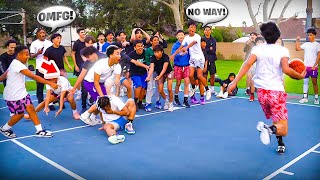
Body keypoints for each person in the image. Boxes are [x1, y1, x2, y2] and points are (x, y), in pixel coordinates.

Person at [228, 21, 306, 154]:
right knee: (284, 129)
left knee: (277, 120)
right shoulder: (282, 50)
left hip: (262, 94)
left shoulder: (257, 49)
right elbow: (286, 69)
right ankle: (267, 128)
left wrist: (234, 82)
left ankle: (277, 139)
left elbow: (246, 65)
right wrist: (299, 76)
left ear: (263, 36)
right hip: (276, 92)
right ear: (278, 35)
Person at [0, 45, 58, 138]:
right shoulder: (17, 64)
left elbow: (4, 75)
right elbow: (33, 77)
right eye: (26, 55)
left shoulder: (16, 63)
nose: (28, 57)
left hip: (22, 93)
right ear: (19, 55)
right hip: (14, 95)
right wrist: (50, 83)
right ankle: (4, 128)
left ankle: (39, 130)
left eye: (28, 55)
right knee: (19, 115)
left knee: (30, 108)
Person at [170, 20, 212, 102]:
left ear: (195, 29)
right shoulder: (186, 38)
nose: (193, 28)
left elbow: (193, 42)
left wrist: (186, 47)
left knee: (199, 75)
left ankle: (207, 89)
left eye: (194, 27)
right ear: (188, 28)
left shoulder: (197, 36)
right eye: (191, 27)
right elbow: (180, 47)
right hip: (192, 59)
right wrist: (173, 55)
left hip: (199, 58)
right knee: (190, 75)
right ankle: (193, 87)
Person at [80, 45, 122, 122]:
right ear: (111, 55)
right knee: (101, 101)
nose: (120, 56)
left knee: (106, 100)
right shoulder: (101, 64)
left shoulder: (117, 66)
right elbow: (96, 82)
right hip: (90, 82)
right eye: (117, 54)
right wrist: (102, 97)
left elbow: (117, 81)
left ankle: (93, 117)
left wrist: (116, 95)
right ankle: (85, 115)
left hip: (101, 83)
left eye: (120, 54)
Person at [295, 28, 320, 105]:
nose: (309, 36)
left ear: (314, 35)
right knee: (305, 82)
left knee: (314, 83)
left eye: (311, 35)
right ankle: (305, 97)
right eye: (308, 35)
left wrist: (314, 65)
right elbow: (297, 49)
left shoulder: (317, 44)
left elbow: (319, 56)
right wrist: (297, 40)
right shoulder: (306, 44)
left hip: (313, 67)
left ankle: (316, 98)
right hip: (305, 67)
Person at [147, 45, 174, 111]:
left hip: (168, 73)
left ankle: (171, 103)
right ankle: (167, 100)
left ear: (162, 51)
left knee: (170, 89)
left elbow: (164, 69)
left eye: (158, 52)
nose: (156, 54)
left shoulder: (165, 57)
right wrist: (149, 76)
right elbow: (152, 68)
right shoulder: (153, 58)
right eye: (155, 52)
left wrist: (159, 77)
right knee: (160, 90)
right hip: (160, 74)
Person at [29, 28, 53, 104]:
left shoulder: (49, 43)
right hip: (39, 67)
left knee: (51, 84)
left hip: (49, 66)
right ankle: (40, 101)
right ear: (38, 34)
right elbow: (31, 56)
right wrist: (38, 53)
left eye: (44, 32)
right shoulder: (34, 43)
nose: (43, 34)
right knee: (40, 85)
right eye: (41, 32)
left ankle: (51, 102)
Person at [171, 30, 190, 108]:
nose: (181, 36)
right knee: (178, 83)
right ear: (177, 36)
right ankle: (176, 97)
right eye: (179, 35)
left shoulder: (187, 45)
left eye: (182, 35)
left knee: (186, 82)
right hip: (178, 66)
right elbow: (173, 55)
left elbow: (191, 54)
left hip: (186, 66)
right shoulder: (175, 46)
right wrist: (180, 54)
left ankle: (185, 100)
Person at [128, 40, 148, 110]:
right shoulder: (131, 54)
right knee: (139, 86)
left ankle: (140, 102)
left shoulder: (146, 53)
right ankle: (135, 102)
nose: (140, 48)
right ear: (135, 47)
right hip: (135, 73)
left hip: (143, 72)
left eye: (141, 46)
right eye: (138, 46)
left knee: (143, 88)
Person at [144, 36, 160, 111]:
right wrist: (151, 66)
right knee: (150, 87)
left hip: (158, 71)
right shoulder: (147, 50)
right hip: (150, 70)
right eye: (155, 40)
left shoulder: (160, 49)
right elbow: (147, 61)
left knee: (158, 86)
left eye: (157, 40)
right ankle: (148, 103)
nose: (156, 41)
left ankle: (158, 101)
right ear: (151, 42)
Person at [248, 36, 266, 102]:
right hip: (255, 67)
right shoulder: (254, 49)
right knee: (253, 82)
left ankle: (262, 96)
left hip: (263, 69)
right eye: (258, 42)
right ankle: (252, 95)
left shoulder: (265, 49)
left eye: (261, 42)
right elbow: (251, 59)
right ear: (256, 43)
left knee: (262, 83)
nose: (260, 43)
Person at [71, 28, 86, 103]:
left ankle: (87, 93)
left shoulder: (87, 42)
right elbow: (73, 54)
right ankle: (79, 93)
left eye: (84, 32)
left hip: (86, 64)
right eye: (82, 32)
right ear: (78, 34)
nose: (83, 33)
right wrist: (75, 65)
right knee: (79, 79)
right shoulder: (76, 43)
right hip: (79, 63)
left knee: (87, 79)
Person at [203, 25, 217, 94]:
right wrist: (209, 49)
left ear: (211, 31)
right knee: (204, 74)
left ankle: (212, 89)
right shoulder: (202, 39)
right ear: (204, 31)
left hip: (212, 59)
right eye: (206, 30)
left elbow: (213, 50)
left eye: (209, 30)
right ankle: (205, 88)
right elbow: (203, 49)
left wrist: (207, 49)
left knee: (212, 74)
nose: (207, 31)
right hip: (204, 59)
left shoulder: (213, 40)